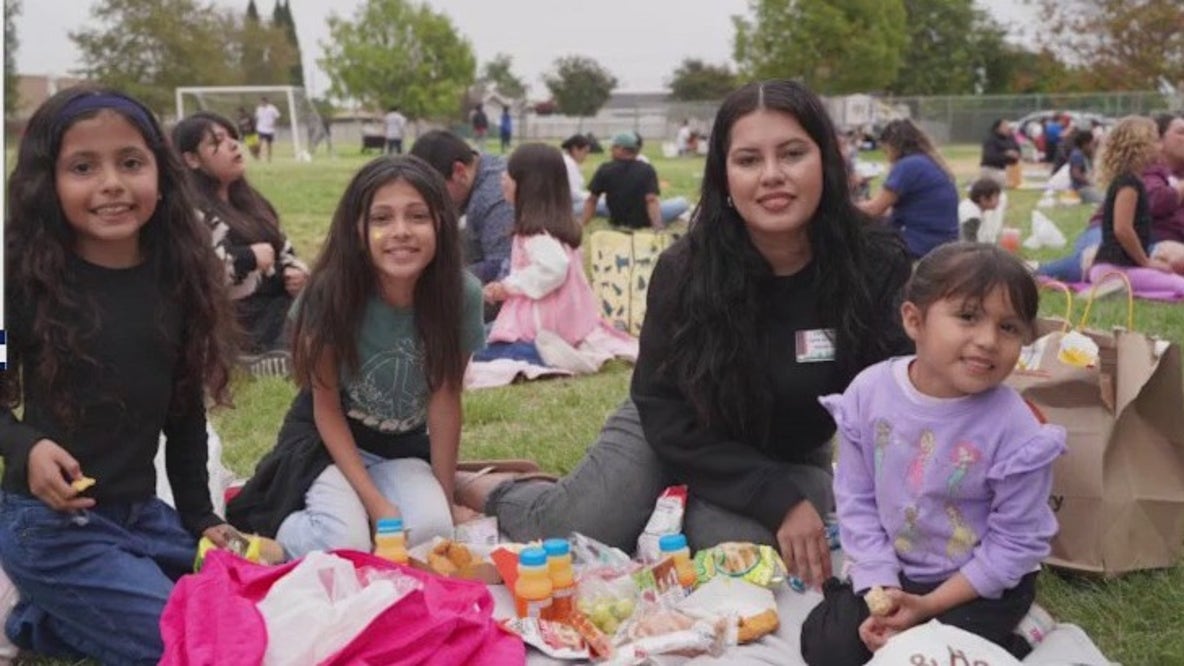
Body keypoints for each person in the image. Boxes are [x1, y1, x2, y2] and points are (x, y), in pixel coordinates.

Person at [456, 79, 914, 591]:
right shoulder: (688, 270)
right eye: (748, 160)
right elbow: (662, 406)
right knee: (574, 527)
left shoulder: (876, 262)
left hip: (788, 445)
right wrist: (779, 501)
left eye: (792, 154)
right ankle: (485, 485)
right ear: (724, 175)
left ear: (825, 160)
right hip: (677, 426)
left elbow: (902, 398)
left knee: (729, 544)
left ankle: (668, 503)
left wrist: (793, 498)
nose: (772, 175)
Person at [0, 85, 238, 664]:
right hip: (51, 527)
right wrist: (27, 448)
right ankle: (34, 606)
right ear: (48, 182)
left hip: (142, 518)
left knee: (237, 604)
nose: (111, 183)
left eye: (130, 163)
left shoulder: (180, 280)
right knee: (185, 641)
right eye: (83, 167)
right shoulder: (20, 283)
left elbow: (184, 412)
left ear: (161, 172)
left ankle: (43, 617)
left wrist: (201, 518)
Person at [801, 242, 1066, 665]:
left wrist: (928, 607)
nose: (988, 341)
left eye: (1009, 327)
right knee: (828, 647)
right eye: (968, 316)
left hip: (976, 586)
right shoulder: (869, 394)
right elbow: (856, 500)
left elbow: (1015, 542)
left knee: (940, 655)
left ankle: (1020, 634)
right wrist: (881, 586)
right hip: (896, 570)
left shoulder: (1017, 430)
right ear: (914, 320)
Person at [225, 155, 487, 557]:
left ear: (441, 223)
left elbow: (445, 399)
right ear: (358, 231)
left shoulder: (462, 295)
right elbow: (325, 408)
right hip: (324, 444)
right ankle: (282, 534)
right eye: (381, 218)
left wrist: (444, 494)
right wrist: (376, 504)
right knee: (346, 543)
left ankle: (362, 513)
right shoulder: (329, 295)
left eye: (417, 216)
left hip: (399, 447)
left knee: (432, 531)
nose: (401, 231)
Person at [479, 143, 638, 367]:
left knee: (480, 348)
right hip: (568, 322)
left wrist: (508, 286)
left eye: (510, 173)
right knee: (483, 338)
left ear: (528, 186)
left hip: (544, 326)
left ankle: (542, 352)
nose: (502, 177)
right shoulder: (554, 228)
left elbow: (554, 268)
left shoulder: (536, 234)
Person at [173, 111, 310, 363]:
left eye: (232, 138)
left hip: (276, 306)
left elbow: (284, 248)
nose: (233, 145)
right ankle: (266, 355)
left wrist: (296, 272)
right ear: (192, 159)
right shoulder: (191, 212)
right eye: (217, 141)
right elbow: (197, 273)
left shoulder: (253, 203)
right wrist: (248, 258)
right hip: (235, 317)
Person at [1037, 113, 1184, 282]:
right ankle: (1035, 271)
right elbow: (1156, 202)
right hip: (1109, 234)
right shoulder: (1144, 169)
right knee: (1096, 260)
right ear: (1159, 140)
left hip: (1149, 242)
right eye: (1181, 132)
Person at [1087, 116, 1184, 294]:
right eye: (1155, 141)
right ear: (1141, 148)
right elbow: (1122, 229)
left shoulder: (1132, 180)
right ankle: (1104, 288)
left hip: (1119, 267)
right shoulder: (1129, 183)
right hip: (1113, 268)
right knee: (1177, 284)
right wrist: (1146, 262)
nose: (1160, 147)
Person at [410, 130, 515, 292]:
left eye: (435, 193)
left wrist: (435, 278)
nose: (431, 202)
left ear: (459, 171)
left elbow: (502, 265)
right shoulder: (476, 171)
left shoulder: (497, 196)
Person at [859, 119, 960, 259]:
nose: (887, 157)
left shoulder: (908, 165)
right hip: (942, 240)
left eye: (885, 151)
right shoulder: (927, 161)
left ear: (893, 146)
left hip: (921, 242)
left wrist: (841, 205)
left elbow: (874, 209)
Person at [582, 132, 690, 229]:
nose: (611, 150)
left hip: (617, 220)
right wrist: (658, 226)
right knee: (682, 202)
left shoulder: (605, 169)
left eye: (613, 147)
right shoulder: (647, 169)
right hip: (644, 220)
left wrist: (582, 224)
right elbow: (651, 200)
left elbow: (592, 200)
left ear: (621, 149)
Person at [958, 178, 1003, 243]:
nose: (999, 200)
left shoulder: (968, 204)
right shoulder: (972, 217)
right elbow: (969, 243)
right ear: (983, 199)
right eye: (996, 197)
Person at [979, 118, 1020, 187]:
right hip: (991, 169)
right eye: (1004, 126)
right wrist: (1006, 155)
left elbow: (1017, 150)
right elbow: (990, 157)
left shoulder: (1010, 138)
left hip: (1005, 169)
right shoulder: (991, 139)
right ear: (997, 128)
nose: (1008, 128)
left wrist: (1015, 155)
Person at [1067, 130, 1103, 204]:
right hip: (1081, 189)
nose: (1093, 146)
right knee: (1103, 199)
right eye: (1091, 144)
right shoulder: (1077, 154)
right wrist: (1090, 182)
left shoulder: (1085, 155)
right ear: (1085, 144)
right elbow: (1076, 174)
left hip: (1086, 187)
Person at [561, 133, 593, 216]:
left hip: (565, 204)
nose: (586, 156)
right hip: (565, 207)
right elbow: (574, 194)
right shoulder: (569, 164)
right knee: (599, 203)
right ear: (575, 149)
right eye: (585, 152)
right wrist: (593, 196)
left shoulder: (567, 161)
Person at [254, 96, 282, 162]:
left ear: (266, 102)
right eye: (261, 102)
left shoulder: (272, 108)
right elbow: (256, 118)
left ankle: (269, 158)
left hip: (269, 130)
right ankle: (258, 156)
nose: (262, 103)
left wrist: (274, 124)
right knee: (259, 143)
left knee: (269, 144)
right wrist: (255, 126)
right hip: (261, 129)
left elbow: (277, 116)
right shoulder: (259, 109)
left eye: (263, 102)